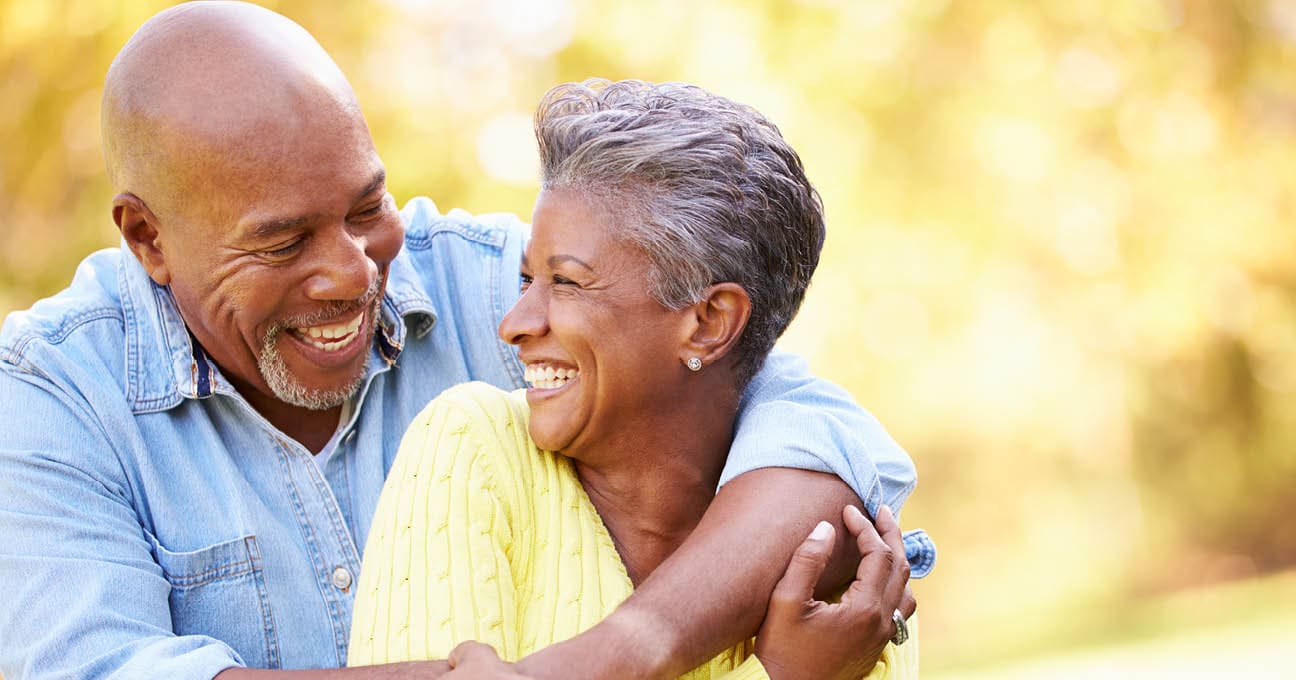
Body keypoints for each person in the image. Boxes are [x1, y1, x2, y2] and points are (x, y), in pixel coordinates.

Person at [0, 3, 932, 679]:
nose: (352, 273)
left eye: (367, 206)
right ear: (148, 239)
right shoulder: (48, 398)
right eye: (283, 242)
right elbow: (95, 670)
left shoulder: (492, 282)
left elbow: (803, 425)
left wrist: (628, 649)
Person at [347, 80, 931, 679]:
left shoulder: (840, 564)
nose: (514, 324)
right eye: (527, 280)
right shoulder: (473, 446)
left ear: (708, 322)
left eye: (566, 282)